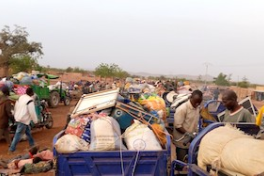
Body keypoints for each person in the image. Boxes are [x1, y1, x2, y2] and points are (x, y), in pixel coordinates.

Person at [173, 90, 203, 166]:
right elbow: (178, 126)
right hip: (181, 141)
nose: (197, 104)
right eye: (196, 102)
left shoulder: (197, 108)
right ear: (191, 98)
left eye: (199, 102)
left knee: (191, 162)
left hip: (191, 140)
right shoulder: (182, 109)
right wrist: (189, 134)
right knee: (181, 163)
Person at [9, 87, 39, 153]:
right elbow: (32, 112)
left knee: (27, 132)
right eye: (32, 93)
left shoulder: (21, 97)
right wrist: (35, 121)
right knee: (18, 134)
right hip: (23, 119)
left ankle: (32, 144)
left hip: (19, 117)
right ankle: (12, 148)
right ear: (31, 93)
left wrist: (15, 115)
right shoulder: (29, 100)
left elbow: (16, 107)